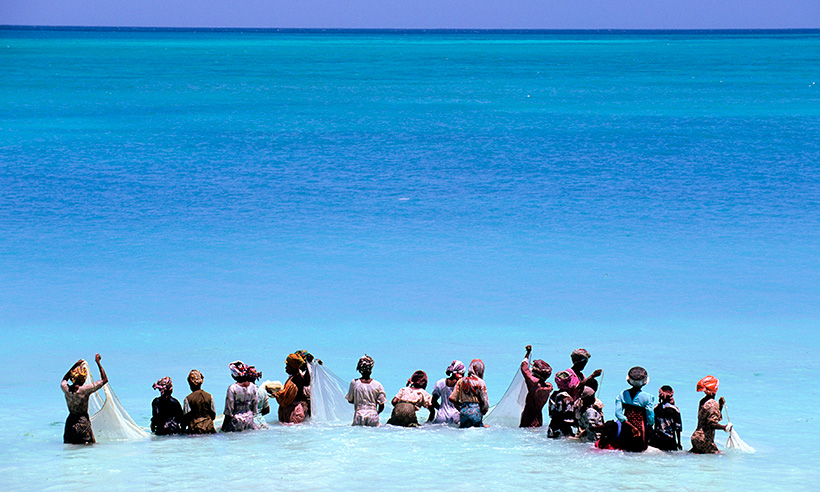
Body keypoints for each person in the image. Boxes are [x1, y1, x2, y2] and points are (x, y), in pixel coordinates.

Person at [60, 354, 107, 444]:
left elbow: (64, 379)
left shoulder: (66, 389)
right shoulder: (85, 390)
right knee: (88, 448)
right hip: (83, 422)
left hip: (70, 423)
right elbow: (104, 380)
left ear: (72, 378)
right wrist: (98, 363)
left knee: (70, 449)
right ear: (84, 379)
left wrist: (75, 365)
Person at [614, 366, 655, 452]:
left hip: (626, 427)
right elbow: (650, 416)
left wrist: (628, 424)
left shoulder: (622, 394)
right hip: (641, 427)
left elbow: (618, 414)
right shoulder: (648, 397)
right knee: (640, 451)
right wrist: (650, 427)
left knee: (625, 449)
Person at [690, 375, 731, 454]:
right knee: (721, 456)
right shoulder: (713, 404)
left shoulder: (702, 401)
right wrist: (725, 427)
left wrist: (720, 407)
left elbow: (707, 418)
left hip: (696, 437)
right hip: (705, 439)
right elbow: (712, 423)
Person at [345, 355, 386, 426]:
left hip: (359, 415)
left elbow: (350, 400)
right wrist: (376, 413)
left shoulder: (354, 382)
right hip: (373, 415)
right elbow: (381, 404)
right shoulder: (378, 385)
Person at [449, 359, 489, 428]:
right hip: (476, 412)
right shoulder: (481, 382)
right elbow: (485, 403)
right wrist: (483, 411)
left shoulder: (461, 381)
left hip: (463, 412)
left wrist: (462, 405)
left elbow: (452, 399)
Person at [222, 361, 260, 432]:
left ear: (234, 375)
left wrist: (223, 429)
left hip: (236, 422)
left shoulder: (232, 388)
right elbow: (254, 409)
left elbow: (229, 412)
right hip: (250, 420)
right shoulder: (253, 387)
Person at [519, 345, 553, 428]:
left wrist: (527, 353)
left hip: (528, 419)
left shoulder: (533, 383)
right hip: (539, 419)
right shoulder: (548, 387)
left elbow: (524, 367)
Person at [274, 353, 311, 424]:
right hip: (291, 409)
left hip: (293, 411)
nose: (285, 368)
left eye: (287, 366)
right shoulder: (294, 378)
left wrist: (276, 394)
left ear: (293, 367)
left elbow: (287, 397)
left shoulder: (296, 380)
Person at [429, 360, 464, 425]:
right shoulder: (461, 384)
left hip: (441, 416)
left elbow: (433, 401)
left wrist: (441, 408)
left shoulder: (440, 383)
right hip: (455, 415)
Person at [182, 369, 216, 434]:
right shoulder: (209, 396)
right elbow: (213, 415)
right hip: (209, 429)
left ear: (190, 383)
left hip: (194, 430)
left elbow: (186, 419)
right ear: (201, 382)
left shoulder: (188, 399)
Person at [547, 370, 578, 438]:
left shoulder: (553, 395)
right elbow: (567, 417)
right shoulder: (567, 398)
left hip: (552, 427)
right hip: (563, 429)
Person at [652, 385, 683, 451]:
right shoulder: (674, 409)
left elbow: (651, 422)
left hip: (656, 439)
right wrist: (679, 443)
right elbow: (678, 428)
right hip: (670, 441)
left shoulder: (655, 408)